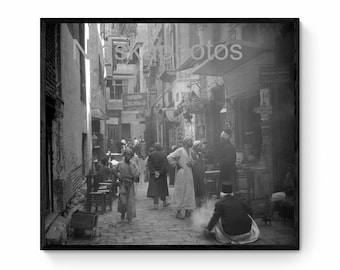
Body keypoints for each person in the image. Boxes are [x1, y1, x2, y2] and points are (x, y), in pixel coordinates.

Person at [167, 136, 196, 219]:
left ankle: (187, 210)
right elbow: (169, 157)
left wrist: (192, 163)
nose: (191, 143)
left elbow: (187, 161)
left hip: (189, 174)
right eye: (190, 141)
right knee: (180, 192)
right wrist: (176, 164)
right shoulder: (180, 150)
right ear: (186, 142)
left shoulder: (189, 151)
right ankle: (178, 212)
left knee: (189, 192)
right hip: (182, 174)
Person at [115, 147, 140, 225]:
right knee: (123, 201)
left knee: (130, 202)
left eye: (130, 155)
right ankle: (122, 216)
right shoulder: (120, 164)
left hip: (130, 185)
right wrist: (118, 177)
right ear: (124, 155)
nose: (128, 156)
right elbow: (114, 171)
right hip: (123, 184)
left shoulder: (133, 165)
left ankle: (130, 218)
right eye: (127, 154)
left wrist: (136, 176)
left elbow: (136, 174)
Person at [147, 142, 170, 210]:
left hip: (154, 174)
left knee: (155, 189)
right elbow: (165, 164)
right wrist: (160, 172)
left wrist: (154, 172)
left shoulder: (151, 154)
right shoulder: (164, 154)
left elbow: (149, 164)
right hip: (162, 174)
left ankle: (156, 204)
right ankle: (164, 202)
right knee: (162, 188)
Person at [217, 127, 237, 197]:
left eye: (222, 139)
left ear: (225, 139)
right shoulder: (226, 146)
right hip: (227, 173)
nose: (221, 140)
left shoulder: (228, 147)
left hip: (228, 173)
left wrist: (220, 163)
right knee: (226, 193)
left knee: (227, 194)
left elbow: (228, 160)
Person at [192, 140, 207, 208]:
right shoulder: (191, 154)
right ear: (195, 147)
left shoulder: (200, 155)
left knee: (202, 190)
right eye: (199, 146)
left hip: (200, 175)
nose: (201, 147)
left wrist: (204, 176)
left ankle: (202, 205)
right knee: (196, 191)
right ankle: (196, 205)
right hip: (194, 176)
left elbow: (202, 166)